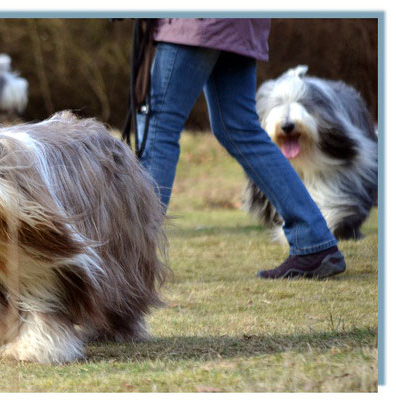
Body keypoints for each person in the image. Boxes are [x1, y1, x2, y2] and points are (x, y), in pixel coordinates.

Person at [135, 18, 346, 279]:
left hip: (193, 22)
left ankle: (132, 257)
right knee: (239, 129)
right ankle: (313, 241)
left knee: (159, 125)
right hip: (240, 22)